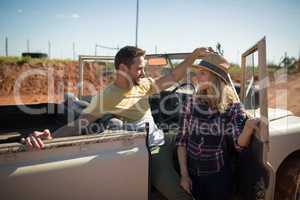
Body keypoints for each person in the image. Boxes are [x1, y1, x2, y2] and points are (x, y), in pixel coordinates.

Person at [22, 45, 211, 200]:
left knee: (202, 139)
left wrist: (194, 56)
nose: (143, 72)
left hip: (163, 135)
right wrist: (49, 138)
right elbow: (79, 124)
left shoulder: (143, 84)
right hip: (152, 149)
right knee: (177, 194)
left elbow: (173, 77)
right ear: (123, 69)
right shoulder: (107, 97)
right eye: (139, 68)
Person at [176, 53, 260, 200]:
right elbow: (182, 141)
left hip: (218, 177)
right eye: (197, 73)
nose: (197, 77)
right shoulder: (190, 103)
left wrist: (247, 128)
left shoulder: (233, 107)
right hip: (192, 174)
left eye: (202, 73)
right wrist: (184, 175)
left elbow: (239, 145)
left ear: (215, 78)